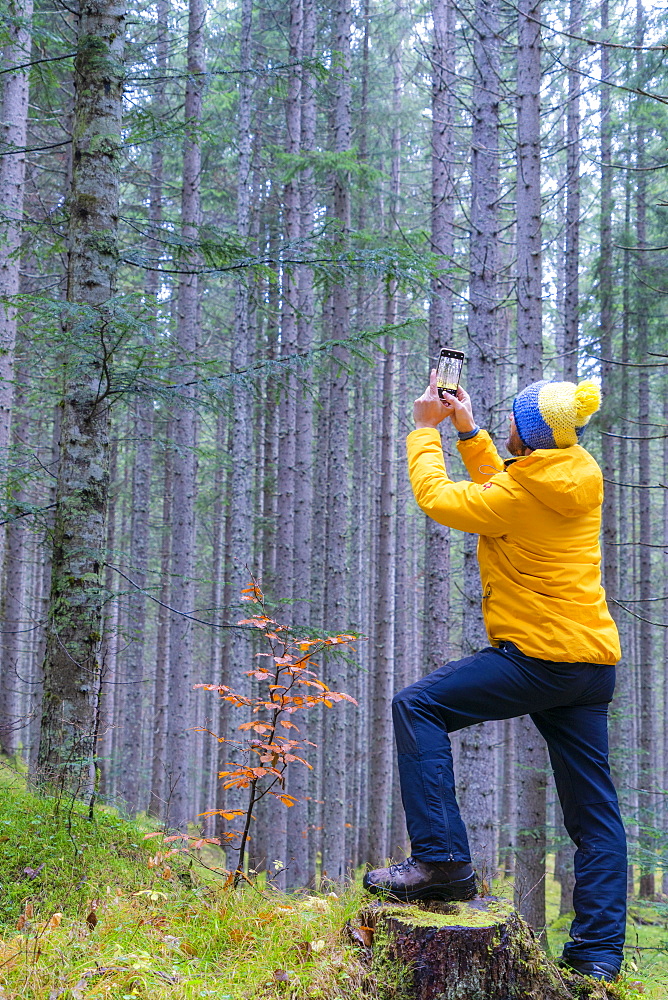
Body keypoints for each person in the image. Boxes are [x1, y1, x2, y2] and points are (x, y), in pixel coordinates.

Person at [363, 371, 627, 983]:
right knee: (595, 817)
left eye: (511, 419)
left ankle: (443, 862)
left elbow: (441, 500)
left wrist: (425, 432)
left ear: (529, 438)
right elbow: (508, 488)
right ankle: (595, 962)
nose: (504, 424)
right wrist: (470, 431)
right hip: (590, 666)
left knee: (418, 706)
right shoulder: (571, 474)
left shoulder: (520, 494)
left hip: (539, 659)